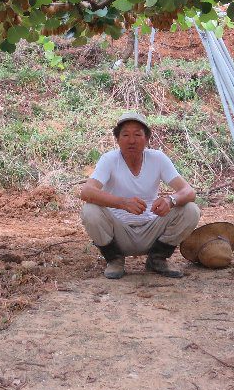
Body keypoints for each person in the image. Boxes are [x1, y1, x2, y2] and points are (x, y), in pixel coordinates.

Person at [78, 111, 201, 280]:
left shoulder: (157, 158)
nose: (131, 140)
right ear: (117, 139)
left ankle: (158, 258)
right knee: (90, 210)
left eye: (137, 134)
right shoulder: (109, 160)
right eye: (125, 135)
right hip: (118, 233)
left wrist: (170, 200)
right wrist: (122, 203)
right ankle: (114, 259)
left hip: (152, 229)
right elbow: (86, 192)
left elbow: (188, 191)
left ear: (147, 138)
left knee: (191, 210)